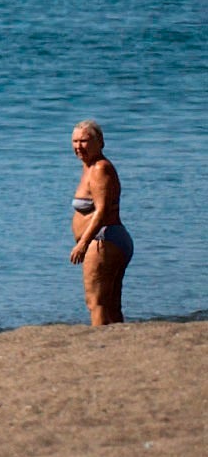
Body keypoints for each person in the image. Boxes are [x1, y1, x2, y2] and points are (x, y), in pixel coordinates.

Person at [69, 121, 130, 325]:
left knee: (95, 301)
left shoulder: (100, 169)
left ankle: (100, 343)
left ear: (100, 142)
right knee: (111, 303)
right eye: (75, 141)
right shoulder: (89, 167)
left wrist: (83, 243)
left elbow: (102, 211)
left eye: (85, 141)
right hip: (108, 239)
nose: (79, 146)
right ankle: (119, 344)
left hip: (104, 239)